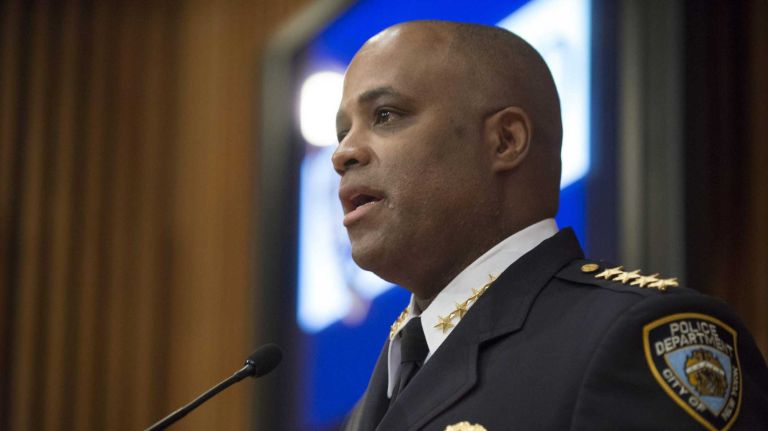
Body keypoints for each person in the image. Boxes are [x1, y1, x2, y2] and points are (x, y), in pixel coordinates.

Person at [331, 20, 768, 430]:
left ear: (505, 140)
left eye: (385, 115)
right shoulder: (372, 402)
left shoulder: (643, 340)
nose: (342, 154)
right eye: (342, 133)